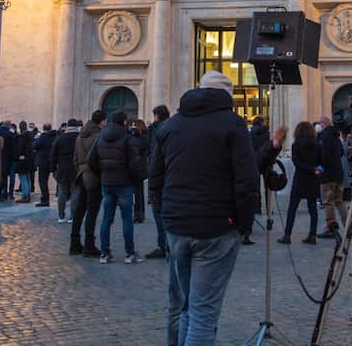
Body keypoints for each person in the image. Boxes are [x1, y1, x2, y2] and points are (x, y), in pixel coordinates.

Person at [151, 71, 257, 346]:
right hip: (216, 227)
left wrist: (166, 214)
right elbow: (246, 180)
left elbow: (156, 176)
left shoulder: (171, 126)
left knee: (188, 307)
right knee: (203, 313)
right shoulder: (233, 124)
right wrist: (244, 225)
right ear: (228, 96)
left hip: (176, 226)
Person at [89, 111, 145, 264]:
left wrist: (102, 175)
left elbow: (91, 160)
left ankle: (104, 253)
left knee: (106, 218)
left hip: (107, 183)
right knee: (127, 219)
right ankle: (129, 254)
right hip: (124, 184)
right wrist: (135, 180)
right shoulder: (128, 139)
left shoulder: (101, 137)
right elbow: (134, 164)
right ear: (125, 122)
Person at [278, 120, 322, 245]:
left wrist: (309, 169)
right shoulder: (317, 144)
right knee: (313, 209)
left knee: (292, 208)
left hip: (300, 179)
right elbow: (323, 162)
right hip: (313, 179)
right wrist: (316, 170)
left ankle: (287, 235)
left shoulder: (296, 144)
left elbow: (296, 163)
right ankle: (312, 235)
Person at [72, 110, 106, 257]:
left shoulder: (79, 137)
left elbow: (75, 158)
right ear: (102, 121)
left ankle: (74, 243)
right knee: (92, 211)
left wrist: (81, 170)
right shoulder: (99, 137)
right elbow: (100, 158)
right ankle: (89, 245)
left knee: (79, 210)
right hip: (94, 177)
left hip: (81, 175)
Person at [145, 105, 172, 259]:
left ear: (156, 116)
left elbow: (155, 158)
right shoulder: (174, 127)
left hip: (160, 178)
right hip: (171, 176)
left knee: (159, 213)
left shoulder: (157, 131)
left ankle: (164, 245)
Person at [316, 116, 344, 238]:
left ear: (323, 124)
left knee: (328, 202)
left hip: (328, 175)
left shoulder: (324, 136)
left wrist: (320, 168)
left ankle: (331, 227)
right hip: (338, 173)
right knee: (339, 202)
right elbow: (341, 152)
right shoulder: (336, 136)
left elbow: (323, 155)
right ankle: (349, 225)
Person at [51, 119, 80, 223]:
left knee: (62, 192)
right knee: (75, 192)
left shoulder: (60, 138)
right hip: (76, 168)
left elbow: (53, 154)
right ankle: (73, 216)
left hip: (62, 168)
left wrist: (53, 169)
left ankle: (61, 216)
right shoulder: (79, 138)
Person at [32, 123, 55, 207]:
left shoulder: (43, 137)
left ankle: (45, 199)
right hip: (51, 161)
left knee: (42, 181)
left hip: (43, 162)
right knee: (45, 180)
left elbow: (34, 146)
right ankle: (45, 198)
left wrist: (35, 139)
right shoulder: (54, 136)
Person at [14, 121, 35, 203]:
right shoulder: (30, 136)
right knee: (28, 177)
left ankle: (25, 196)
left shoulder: (22, 137)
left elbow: (19, 149)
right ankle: (28, 195)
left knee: (22, 178)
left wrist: (17, 156)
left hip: (23, 160)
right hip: (30, 159)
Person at [0, 120, 16, 199]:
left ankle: (0, 193)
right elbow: (13, 148)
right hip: (9, 159)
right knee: (8, 176)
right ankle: (8, 193)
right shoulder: (10, 135)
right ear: (8, 126)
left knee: (0, 176)